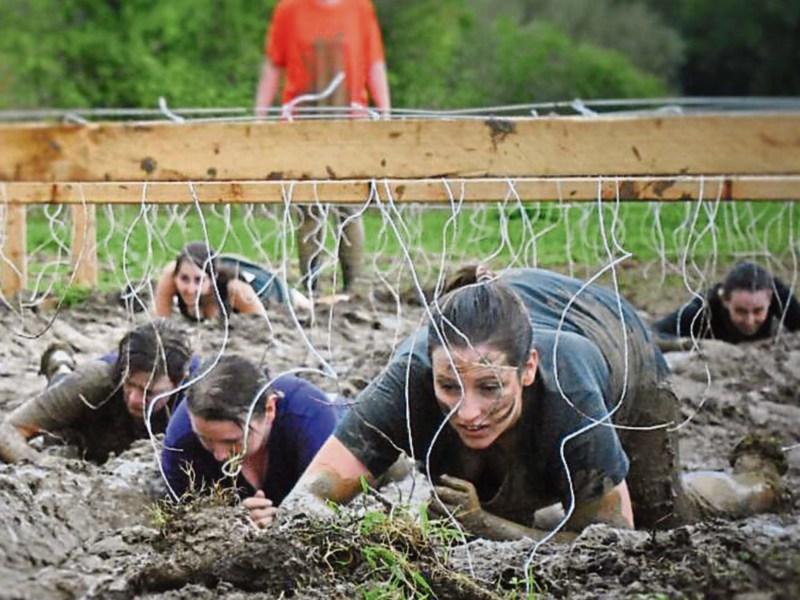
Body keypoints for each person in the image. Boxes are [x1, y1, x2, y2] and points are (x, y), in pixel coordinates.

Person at [276, 266, 786, 539]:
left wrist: (487, 527)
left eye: (490, 388)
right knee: (506, 495)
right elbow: (304, 502)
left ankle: (756, 479)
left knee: (663, 523)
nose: (468, 411)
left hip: (619, 349)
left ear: (526, 370)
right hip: (512, 331)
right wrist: (373, 534)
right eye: (450, 388)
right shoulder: (408, 381)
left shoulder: (570, 390)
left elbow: (611, 542)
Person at [254, 0, 391, 294]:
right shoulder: (288, 9)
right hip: (301, 121)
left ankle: (353, 287)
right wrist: (259, 118)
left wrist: (386, 115)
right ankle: (310, 286)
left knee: (350, 206)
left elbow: (374, 62)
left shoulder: (360, 9)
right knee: (308, 209)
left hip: (350, 122)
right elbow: (273, 63)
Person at [161, 354, 344, 527]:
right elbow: (186, 527)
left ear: (270, 409)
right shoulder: (180, 444)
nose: (220, 455)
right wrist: (228, 525)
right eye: (205, 440)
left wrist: (284, 523)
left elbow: (336, 513)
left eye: (232, 441)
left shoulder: (311, 420)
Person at [0, 319, 193, 464]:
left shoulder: (195, 399)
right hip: (85, 426)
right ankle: (59, 363)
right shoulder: (96, 381)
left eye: (148, 393)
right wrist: (44, 467)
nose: (134, 399)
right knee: (65, 384)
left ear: (178, 382)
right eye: (129, 385)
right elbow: (8, 432)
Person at [153, 242, 311, 322]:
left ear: (212, 278)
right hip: (222, 265)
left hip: (265, 289)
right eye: (184, 279)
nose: (190, 289)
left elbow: (262, 325)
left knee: (305, 304)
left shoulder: (236, 291)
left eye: (199, 280)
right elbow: (161, 322)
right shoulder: (171, 275)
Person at [653, 262, 800, 344]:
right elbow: (654, 335)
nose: (750, 320)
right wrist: (698, 345)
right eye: (741, 311)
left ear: (769, 299)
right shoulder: (702, 308)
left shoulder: (779, 295)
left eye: (758, 311)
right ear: (725, 300)